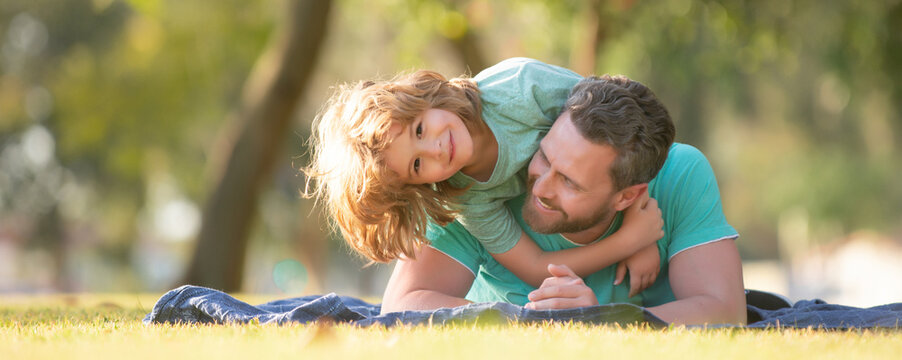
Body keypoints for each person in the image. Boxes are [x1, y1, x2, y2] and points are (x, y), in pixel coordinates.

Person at [381, 75, 748, 325]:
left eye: (569, 182)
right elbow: (400, 307)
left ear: (628, 197)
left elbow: (726, 311)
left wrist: (602, 319)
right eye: (544, 156)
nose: (539, 188)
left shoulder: (680, 174)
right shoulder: (471, 184)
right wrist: (528, 319)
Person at [305, 58, 663, 296]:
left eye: (418, 129)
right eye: (417, 166)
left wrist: (639, 220)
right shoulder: (466, 197)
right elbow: (538, 269)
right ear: (414, 187)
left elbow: (622, 128)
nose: (434, 149)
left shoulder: (520, 88)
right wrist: (629, 241)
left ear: (423, 98)